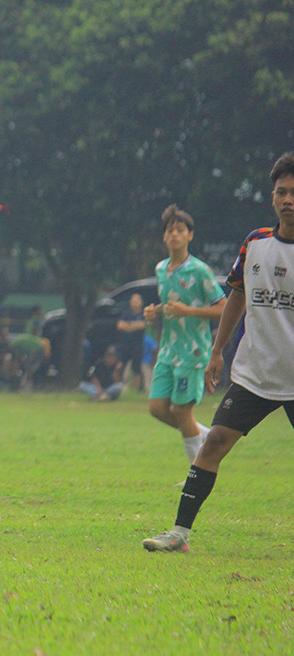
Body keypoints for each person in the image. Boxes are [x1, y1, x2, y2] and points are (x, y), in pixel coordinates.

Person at [144, 153, 294, 553]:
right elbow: (236, 296)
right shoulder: (255, 243)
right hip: (256, 375)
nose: (288, 200)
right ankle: (180, 534)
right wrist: (217, 351)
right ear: (272, 196)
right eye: (281, 192)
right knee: (214, 444)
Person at [143, 206, 226, 466]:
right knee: (157, 408)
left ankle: (197, 473)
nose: (175, 235)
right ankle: (206, 435)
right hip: (168, 350)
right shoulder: (160, 269)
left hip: (193, 351)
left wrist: (187, 310)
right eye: (170, 231)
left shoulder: (200, 270)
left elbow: (223, 307)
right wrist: (155, 311)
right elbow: (170, 306)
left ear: (190, 235)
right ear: (164, 237)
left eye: (180, 230)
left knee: (181, 410)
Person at [117, 293, 147, 391]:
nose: (135, 303)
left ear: (141, 303)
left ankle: (135, 389)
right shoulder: (126, 313)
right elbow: (120, 325)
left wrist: (129, 326)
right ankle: (119, 387)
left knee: (137, 368)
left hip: (137, 345)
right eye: (133, 301)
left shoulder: (143, 314)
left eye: (137, 301)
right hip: (125, 344)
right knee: (121, 365)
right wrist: (134, 326)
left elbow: (142, 325)